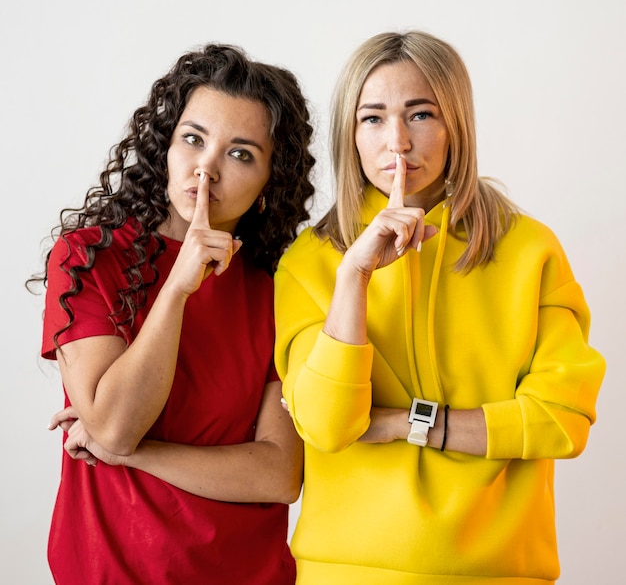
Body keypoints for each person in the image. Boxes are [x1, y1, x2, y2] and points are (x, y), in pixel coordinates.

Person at [274, 30, 605, 584]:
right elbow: (329, 426)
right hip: (344, 572)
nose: (397, 142)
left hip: (501, 571)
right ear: (349, 135)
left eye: (421, 114)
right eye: (373, 119)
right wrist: (354, 276)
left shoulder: (530, 249)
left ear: (457, 126)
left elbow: (563, 421)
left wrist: (408, 424)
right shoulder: (310, 261)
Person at [30, 43, 315, 584]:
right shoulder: (88, 258)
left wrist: (134, 455)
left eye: (241, 153)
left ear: (267, 186)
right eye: (194, 139)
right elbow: (115, 425)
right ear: (166, 145)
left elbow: (279, 475)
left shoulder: (278, 289)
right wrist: (179, 286)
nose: (205, 168)